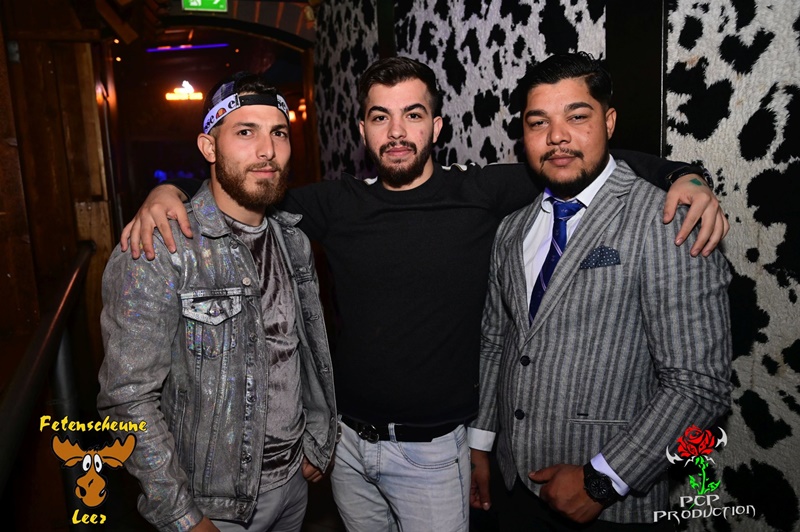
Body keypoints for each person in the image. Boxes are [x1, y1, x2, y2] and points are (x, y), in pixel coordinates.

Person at [119, 57, 728, 531]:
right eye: (380, 117)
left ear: (436, 127)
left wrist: (683, 175)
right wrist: (168, 193)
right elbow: (246, 191)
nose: (397, 132)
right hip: (346, 450)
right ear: (362, 129)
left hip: (434, 454)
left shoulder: (483, 194)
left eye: (413, 115)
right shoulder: (333, 204)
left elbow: (576, 156)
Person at [468, 53, 732, 531]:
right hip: (513, 489)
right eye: (538, 122)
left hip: (613, 505)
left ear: (609, 122)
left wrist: (603, 480)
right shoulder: (511, 229)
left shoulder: (667, 219)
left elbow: (699, 386)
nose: (557, 137)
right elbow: (496, 342)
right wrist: (481, 445)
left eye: (577, 117)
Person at [97, 72, 337, 532]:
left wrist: (315, 439)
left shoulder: (295, 241)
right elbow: (126, 399)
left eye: (279, 133)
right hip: (214, 507)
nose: (267, 150)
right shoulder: (162, 247)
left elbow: (301, 354)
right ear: (209, 147)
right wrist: (182, 515)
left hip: (295, 485)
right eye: (245, 132)